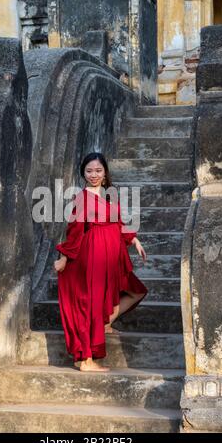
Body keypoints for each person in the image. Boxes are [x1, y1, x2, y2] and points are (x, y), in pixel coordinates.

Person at [53, 152, 148, 372]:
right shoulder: (82, 198)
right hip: (93, 257)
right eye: (89, 171)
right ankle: (86, 360)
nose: (94, 174)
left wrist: (133, 239)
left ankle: (105, 324)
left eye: (98, 170)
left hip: (111, 259)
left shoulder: (107, 196)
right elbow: (74, 231)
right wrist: (64, 257)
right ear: (83, 173)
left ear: (105, 173)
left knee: (136, 290)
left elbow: (117, 223)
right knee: (90, 305)